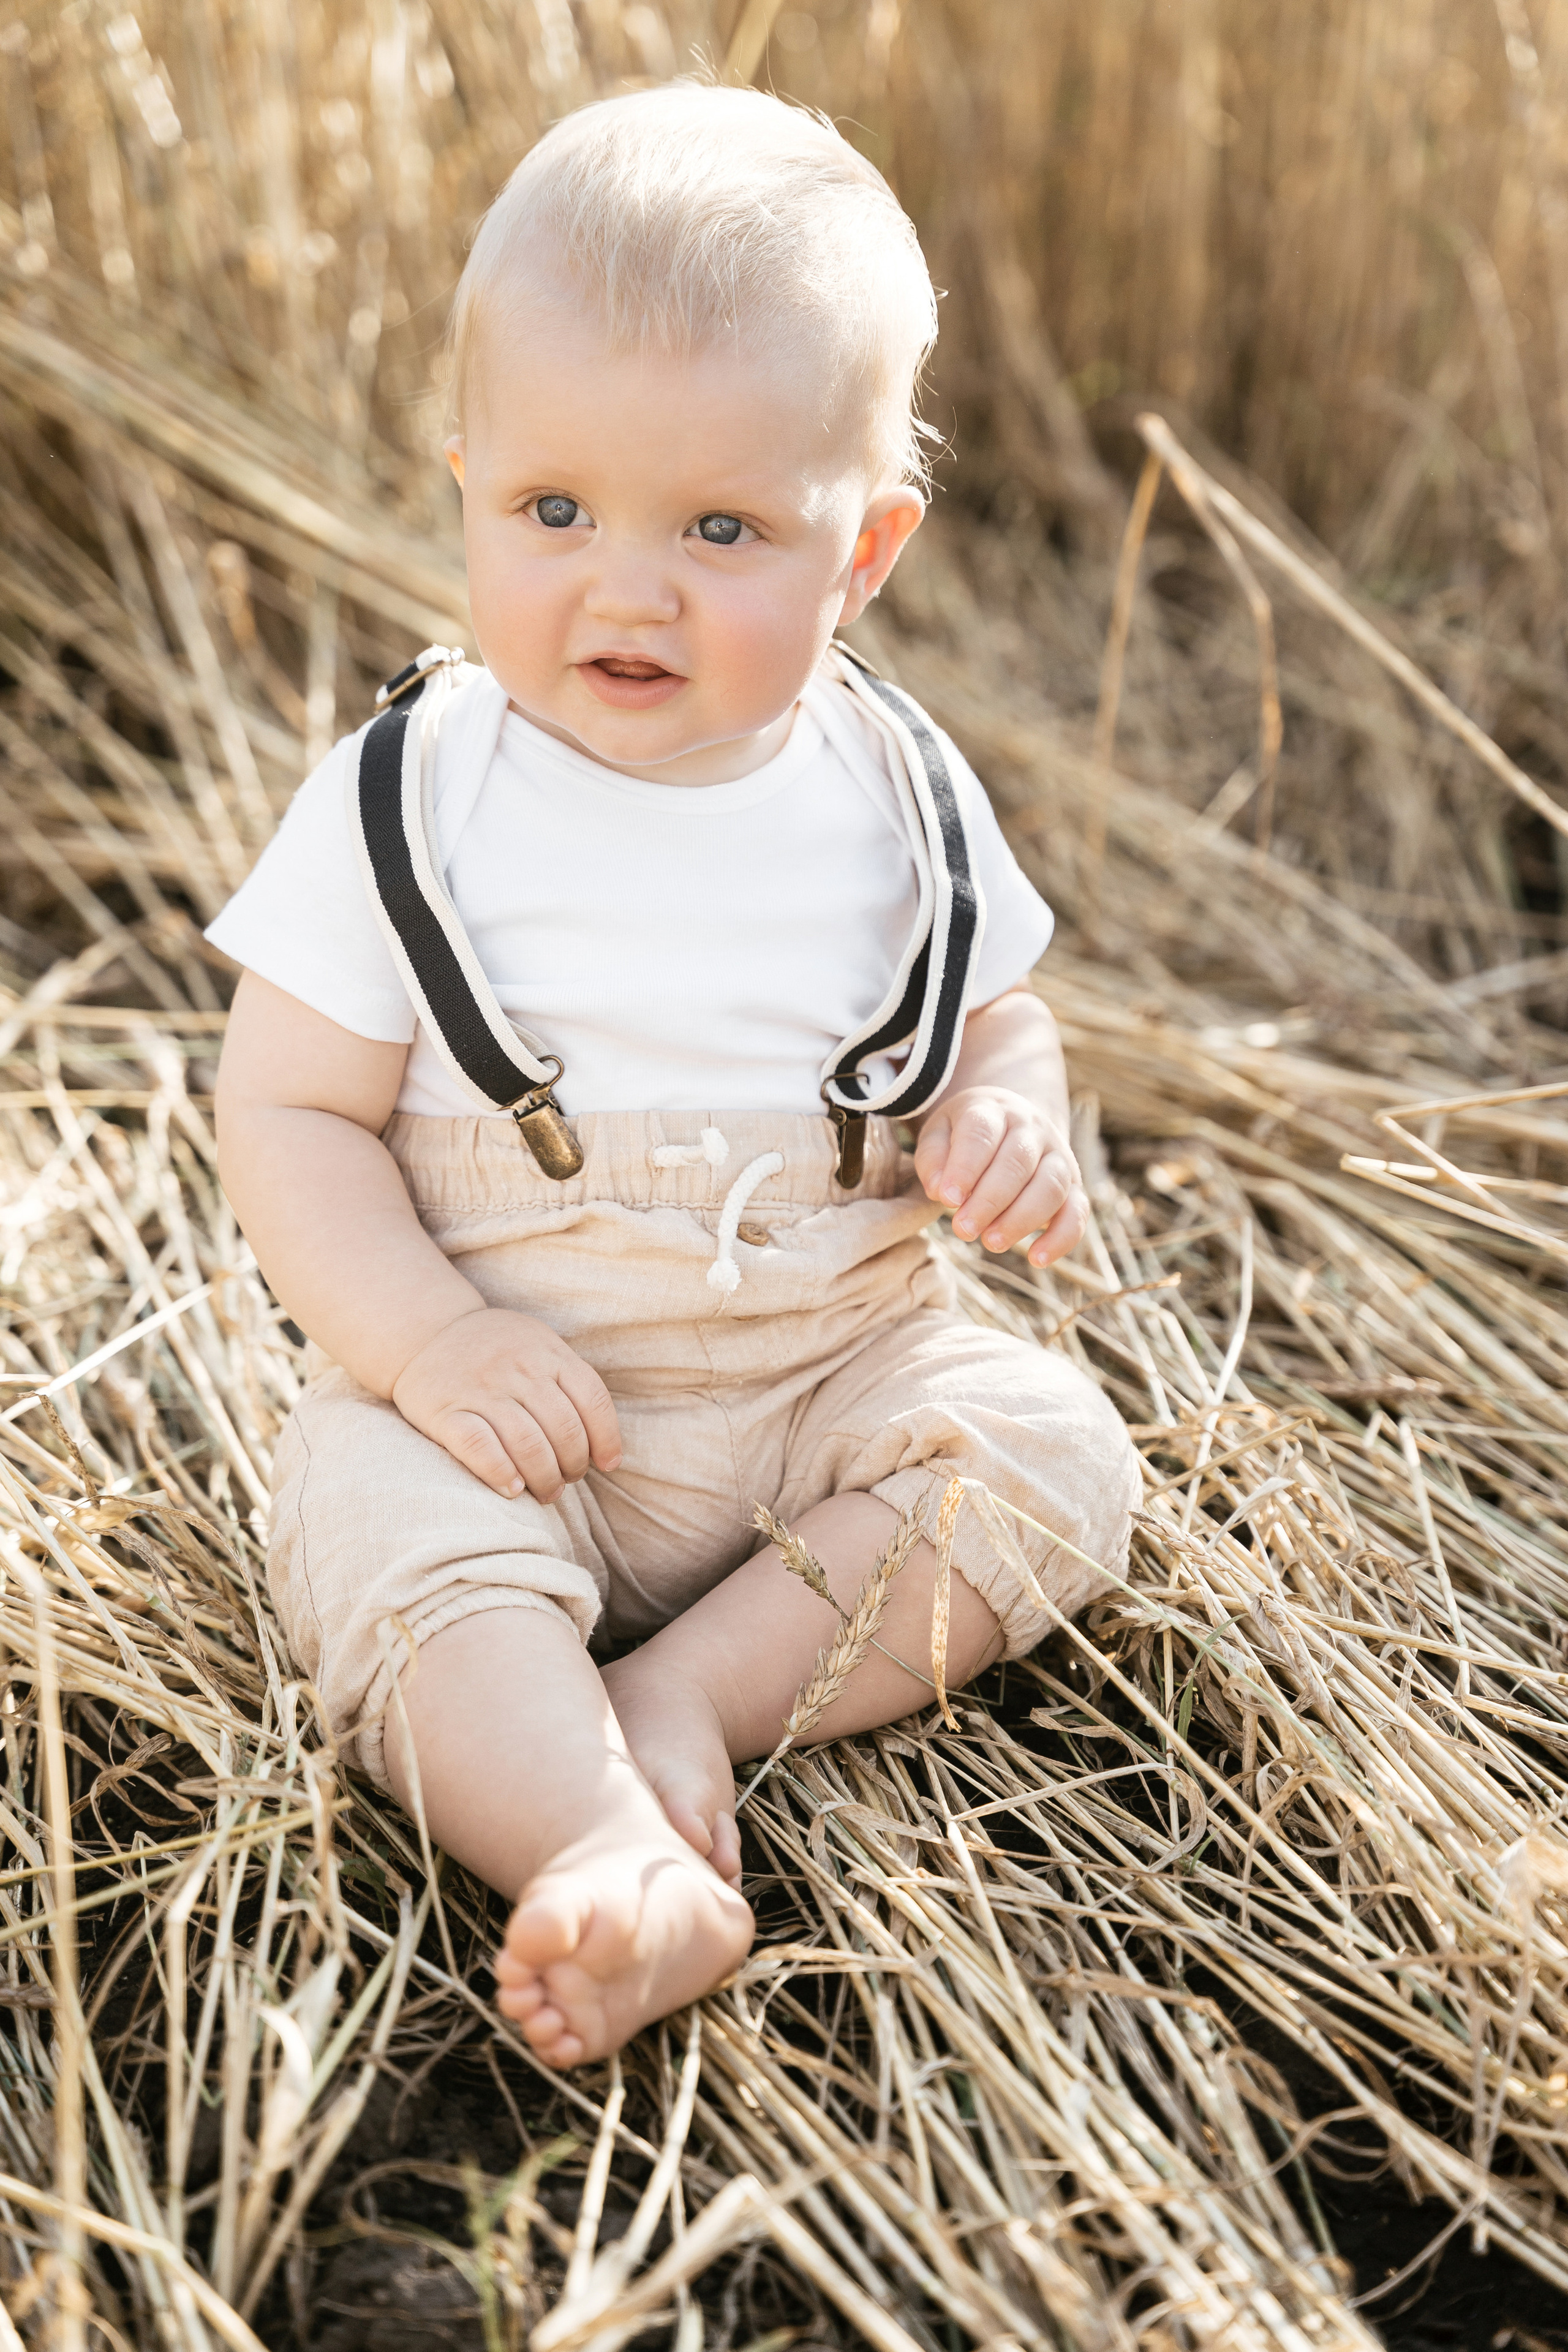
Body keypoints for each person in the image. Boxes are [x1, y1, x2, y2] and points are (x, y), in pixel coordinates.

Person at [209, 83, 1141, 2070]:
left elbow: (998, 1015)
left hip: (827, 1375)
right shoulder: (408, 803)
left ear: (866, 547)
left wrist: (1008, 1114)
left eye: (721, 529)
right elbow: (284, 1115)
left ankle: (695, 1699)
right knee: (379, 1537)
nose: (626, 589)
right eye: (553, 512)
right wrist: (430, 1342)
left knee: (1051, 1454)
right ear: (464, 483)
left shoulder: (899, 793)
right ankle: (600, 1849)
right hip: (507, 1408)